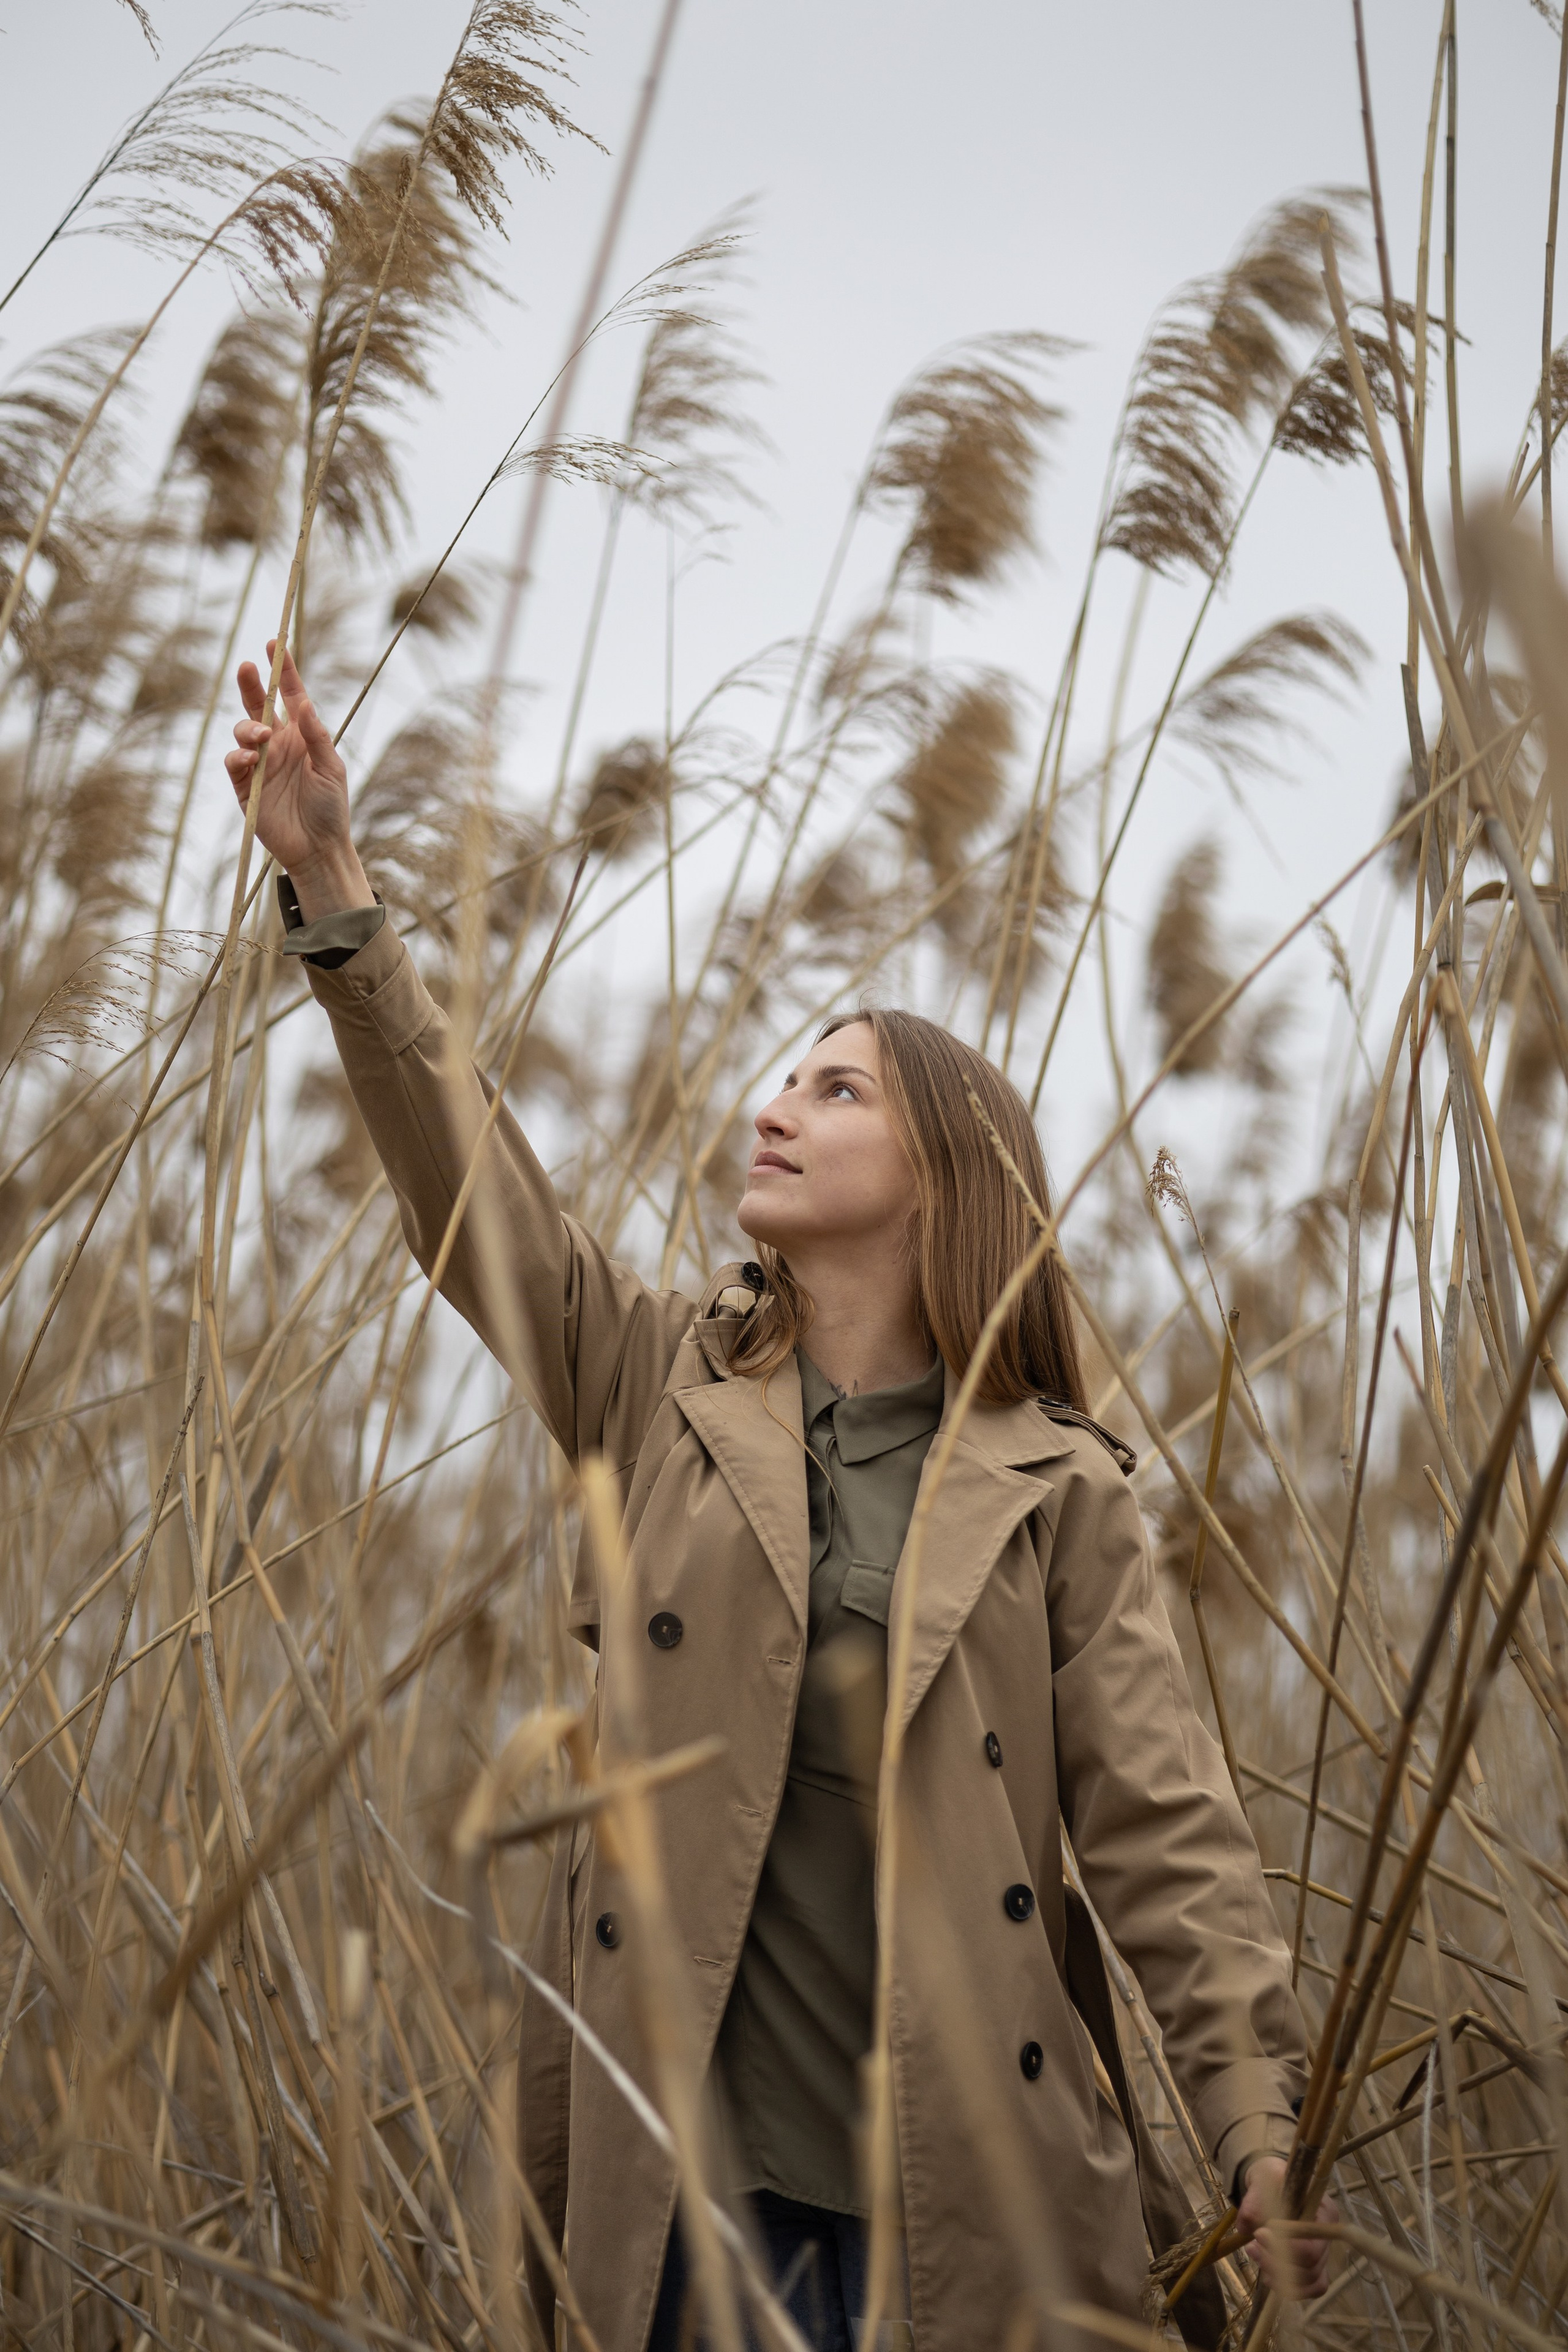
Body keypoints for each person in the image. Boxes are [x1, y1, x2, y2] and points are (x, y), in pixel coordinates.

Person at [226, 647, 1334, 2352]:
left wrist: (1256, 2122)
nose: (774, 1104)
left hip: (969, 2214)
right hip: (689, 2200)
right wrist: (335, 889)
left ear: (946, 1174)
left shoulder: (1058, 1491)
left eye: (837, 1088)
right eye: (783, 1076)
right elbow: (472, 1201)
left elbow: (1165, 1832)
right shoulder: (658, 1383)